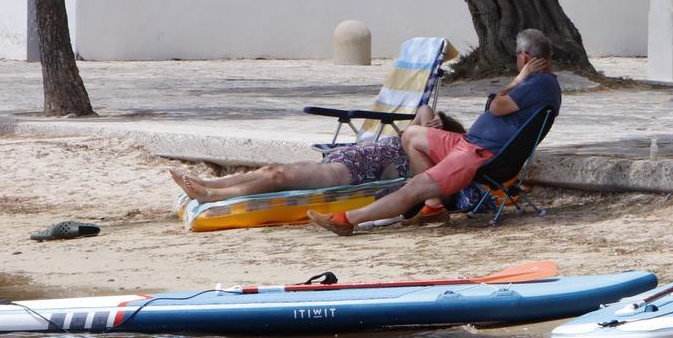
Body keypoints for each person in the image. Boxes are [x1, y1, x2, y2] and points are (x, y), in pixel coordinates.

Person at [307, 29, 562, 235]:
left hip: (478, 155)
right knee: (412, 135)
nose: (517, 60)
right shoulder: (542, 84)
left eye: (518, 55)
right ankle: (434, 206)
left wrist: (517, 79)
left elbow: (495, 106)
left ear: (525, 58)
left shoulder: (536, 84)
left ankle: (347, 220)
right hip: (469, 143)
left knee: (416, 185)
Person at [169, 105, 465, 204]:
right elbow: (425, 107)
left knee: (277, 176)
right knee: (270, 168)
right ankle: (211, 184)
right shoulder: (411, 137)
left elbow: (423, 181)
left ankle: (213, 196)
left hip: (347, 174)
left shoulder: (422, 163)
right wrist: (432, 120)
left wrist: (436, 137)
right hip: (339, 159)